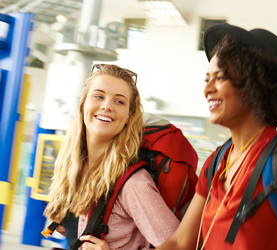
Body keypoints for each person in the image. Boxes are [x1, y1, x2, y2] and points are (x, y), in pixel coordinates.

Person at [156, 24, 277, 250]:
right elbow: (180, 243)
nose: (207, 89)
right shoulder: (217, 162)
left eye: (219, 78)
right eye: (206, 79)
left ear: (256, 86)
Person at [44, 64, 179, 250]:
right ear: (83, 105)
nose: (107, 105)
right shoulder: (71, 167)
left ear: (128, 117)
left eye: (119, 101)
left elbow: (178, 246)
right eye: (98, 96)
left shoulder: (133, 183)